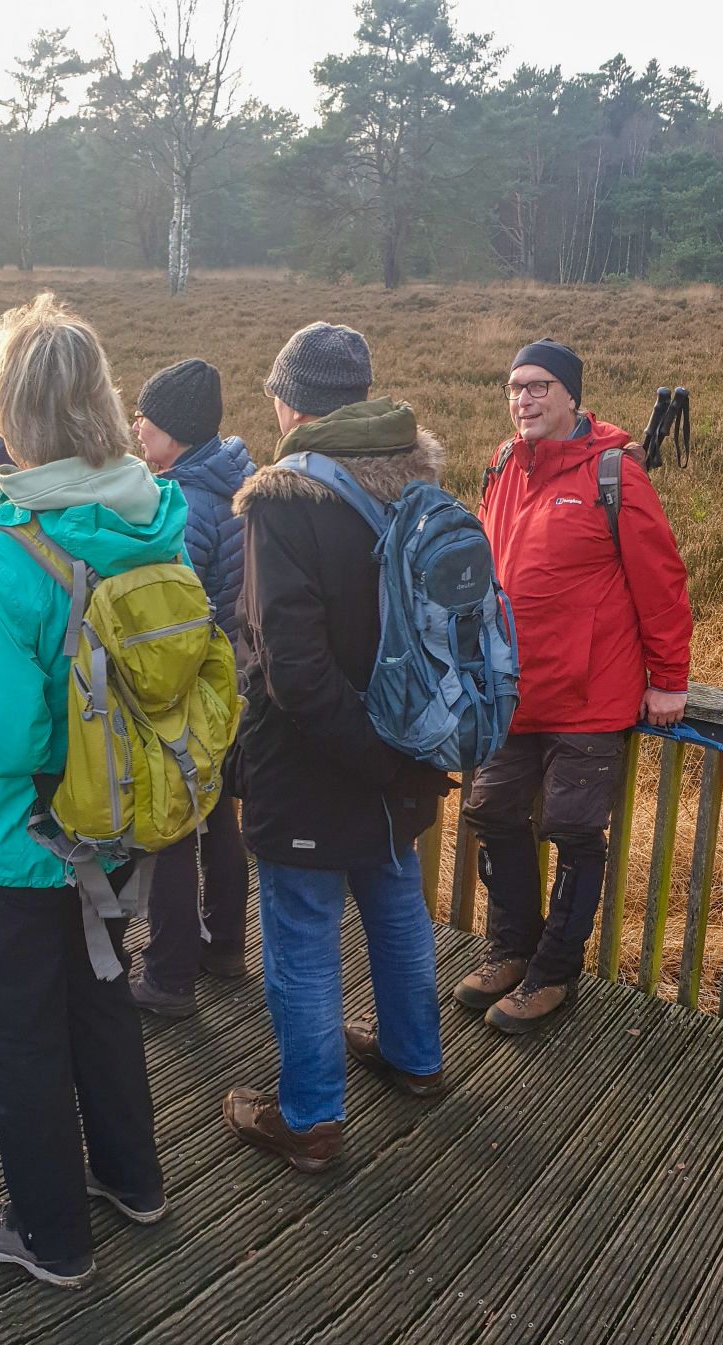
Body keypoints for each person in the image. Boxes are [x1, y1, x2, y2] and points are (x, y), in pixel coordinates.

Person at [0, 293, 171, 1290]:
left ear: (10, 412)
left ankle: (49, 1236)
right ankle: (132, 1180)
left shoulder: (0, 556)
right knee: (101, 1002)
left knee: (23, 1038)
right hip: (110, 825)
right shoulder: (153, 519)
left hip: (9, 840)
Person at [221, 321, 454, 1176]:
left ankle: (310, 1117)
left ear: (293, 402)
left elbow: (291, 666)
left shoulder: (283, 498)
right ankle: (415, 1058)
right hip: (405, 752)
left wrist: (368, 755)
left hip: (320, 766)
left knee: (305, 936)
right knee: (398, 908)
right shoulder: (416, 475)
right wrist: (397, 758)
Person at [455, 340, 691, 1032]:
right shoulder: (503, 464)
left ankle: (553, 972)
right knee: (492, 812)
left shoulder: (613, 472)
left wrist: (670, 680)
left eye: (537, 386)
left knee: (572, 829)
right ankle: (511, 949)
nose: (522, 399)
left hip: (591, 694)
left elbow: (662, 582)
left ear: (570, 397)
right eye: (513, 388)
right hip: (513, 690)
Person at [128, 359, 254, 1017]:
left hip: (187, 683)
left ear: (171, 428)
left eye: (143, 416)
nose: (135, 426)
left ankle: (170, 975)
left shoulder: (180, 504)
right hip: (232, 680)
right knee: (217, 813)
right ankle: (224, 946)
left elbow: (169, 612)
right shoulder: (236, 482)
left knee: (174, 822)